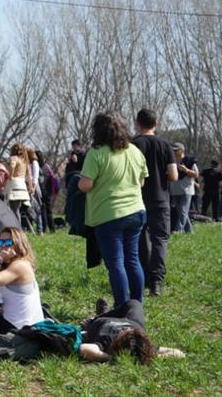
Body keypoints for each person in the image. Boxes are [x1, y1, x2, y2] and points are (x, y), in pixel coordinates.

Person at [79, 111, 148, 306]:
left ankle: (122, 306)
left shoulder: (97, 153)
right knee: (132, 259)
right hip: (136, 211)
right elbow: (141, 182)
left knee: (116, 264)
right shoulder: (134, 151)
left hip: (109, 215)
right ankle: (137, 305)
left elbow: (86, 185)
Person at [130, 108, 176, 297]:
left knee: (141, 239)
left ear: (137, 123)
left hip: (137, 199)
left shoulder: (133, 145)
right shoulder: (165, 145)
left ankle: (145, 277)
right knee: (160, 239)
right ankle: (157, 281)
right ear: (156, 124)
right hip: (161, 199)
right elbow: (173, 175)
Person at [80, 298, 185, 363]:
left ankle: (98, 316)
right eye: (129, 330)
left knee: (94, 321)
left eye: (124, 332)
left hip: (102, 322)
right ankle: (105, 312)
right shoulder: (142, 345)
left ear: (119, 342)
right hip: (133, 321)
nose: (126, 328)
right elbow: (179, 353)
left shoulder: (107, 340)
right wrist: (149, 356)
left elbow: (84, 348)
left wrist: (110, 358)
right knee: (134, 303)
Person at [0, 227, 44, 333]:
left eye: (9, 242)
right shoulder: (22, 262)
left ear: (18, 243)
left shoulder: (19, 265)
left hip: (18, 328)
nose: (3, 246)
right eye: (1, 242)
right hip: (30, 323)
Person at [170, 143, 199, 234]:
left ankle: (178, 230)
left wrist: (186, 170)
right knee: (182, 212)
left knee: (183, 210)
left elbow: (196, 174)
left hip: (186, 190)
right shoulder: (171, 161)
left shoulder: (189, 160)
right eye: (173, 150)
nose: (173, 152)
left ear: (182, 150)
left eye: (176, 150)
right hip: (174, 190)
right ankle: (190, 232)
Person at [5, 144, 34, 227]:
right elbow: (29, 175)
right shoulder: (25, 161)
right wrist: (31, 187)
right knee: (16, 209)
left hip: (14, 186)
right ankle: (17, 228)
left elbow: (12, 166)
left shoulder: (14, 158)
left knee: (14, 209)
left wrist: (10, 176)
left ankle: (17, 229)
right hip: (22, 186)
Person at [37, 151, 59, 233]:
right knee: (49, 210)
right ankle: (52, 229)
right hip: (48, 190)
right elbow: (52, 176)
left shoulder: (36, 167)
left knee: (42, 210)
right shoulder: (46, 166)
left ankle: (44, 228)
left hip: (41, 190)